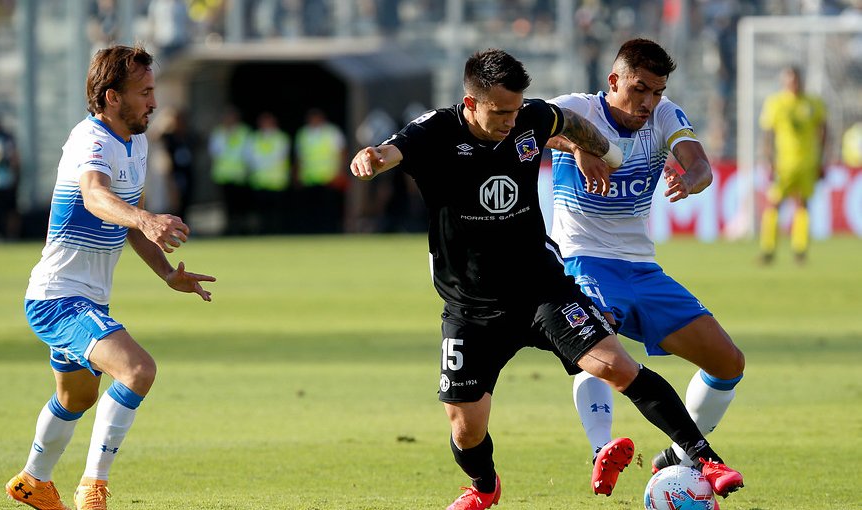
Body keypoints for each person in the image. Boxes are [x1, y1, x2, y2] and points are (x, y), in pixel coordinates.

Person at [350, 48, 743, 510]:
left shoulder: (529, 118)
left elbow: (562, 123)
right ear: (471, 102)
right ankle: (483, 487)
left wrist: (590, 149)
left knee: (615, 364)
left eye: (516, 110)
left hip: (540, 288)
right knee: (465, 425)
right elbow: (394, 150)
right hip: (470, 308)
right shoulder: (434, 131)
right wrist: (373, 159)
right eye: (500, 112)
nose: (510, 121)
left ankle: (704, 457)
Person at [4, 45, 215, 510]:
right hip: (58, 297)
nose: (153, 102)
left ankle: (32, 481)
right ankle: (92, 488)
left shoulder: (136, 142)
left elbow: (126, 217)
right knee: (138, 370)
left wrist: (165, 272)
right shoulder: (90, 139)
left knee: (77, 396)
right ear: (111, 97)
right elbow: (97, 197)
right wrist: (144, 220)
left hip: (86, 300)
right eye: (144, 92)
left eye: (153, 90)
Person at [545, 38, 746, 495]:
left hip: (642, 269)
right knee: (597, 341)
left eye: (657, 91)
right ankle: (602, 449)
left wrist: (690, 181)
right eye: (640, 90)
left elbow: (701, 166)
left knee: (728, 362)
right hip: (583, 260)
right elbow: (522, 127)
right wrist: (578, 144)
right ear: (614, 81)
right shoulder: (575, 109)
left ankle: (678, 455)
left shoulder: (664, 115)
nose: (648, 102)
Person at [758, 65, 828, 264]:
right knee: (774, 203)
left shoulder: (813, 103)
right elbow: (768, 134)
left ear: (801, 81)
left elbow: (823, 129)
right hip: (783, 164)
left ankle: (800, 250)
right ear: (784, 82)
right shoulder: (777, 103)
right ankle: (768, 250)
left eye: (796, 80)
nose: (793, 85)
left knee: (802, 203)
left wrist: (821, 160)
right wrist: (769, 160)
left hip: (807, 163)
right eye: (789, 81)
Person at [295, 108, 346, 233]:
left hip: (329, 177)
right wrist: (297, 175)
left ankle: (330, 231)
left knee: (329, 209)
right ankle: (312, 231)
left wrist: (340, 172)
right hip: (310, 178)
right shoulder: (303, 134)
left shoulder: (332, 132)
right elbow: (299, 156)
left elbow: (342, 152)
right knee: (311, 209)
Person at [245, 111, 291, 234]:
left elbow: (281, 156)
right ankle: (262, 232)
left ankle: (277, 232)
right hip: (260, 180)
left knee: (276, 212)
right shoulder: (254, 138)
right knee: (261, 212)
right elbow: (249, 158)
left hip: (276, 181)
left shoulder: (280, 138)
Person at [209, 106, 251, 235]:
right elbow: (214, 152)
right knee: (227, 205)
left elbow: (249, 152)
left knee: (241, 205)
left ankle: (241, 228)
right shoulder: (219, 132)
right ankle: (230, 228)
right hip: (223, 175)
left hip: (239, 175)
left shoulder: (244, 132)